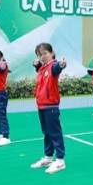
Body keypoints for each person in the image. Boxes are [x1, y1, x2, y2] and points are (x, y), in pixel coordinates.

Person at [29, 43, 68, 174]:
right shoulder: (42, 68)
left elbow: (57, 67)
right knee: (46, 133)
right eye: (40, 55)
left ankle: (60, 160)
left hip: (51, 105)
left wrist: (61, 65)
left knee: (55, 132)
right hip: (41, 105)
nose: (43, 56)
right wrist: (37, 65)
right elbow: (41, 70)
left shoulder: (53, 66)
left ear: (51, 53)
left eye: (45, 53)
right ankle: (48, 157)